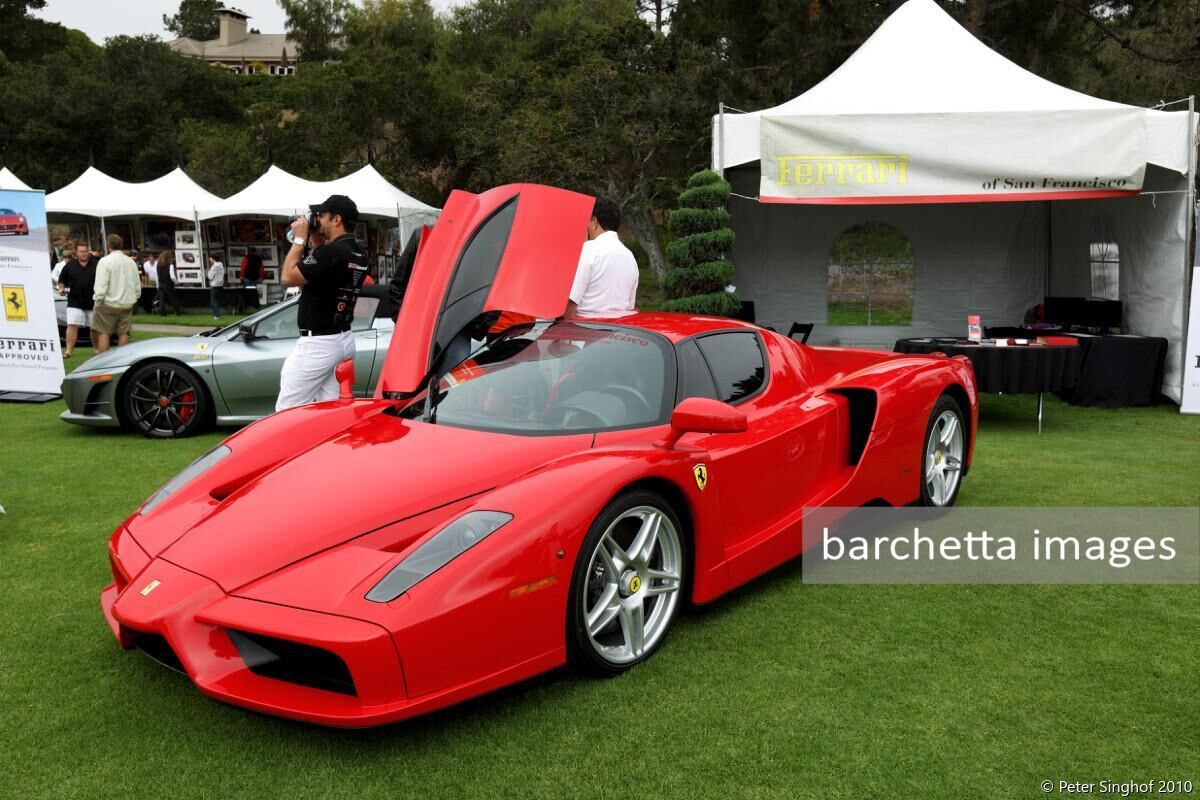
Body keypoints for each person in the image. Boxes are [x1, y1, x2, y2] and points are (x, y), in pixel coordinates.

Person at [276, 194, 370, 411]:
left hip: (319, 344)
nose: (317, 219)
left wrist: (299, 240)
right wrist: (317, 246)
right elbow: (320, 280)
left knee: (287, 412)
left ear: (336, 219)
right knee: (331, 409)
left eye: (322, 215)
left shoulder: (332, 252)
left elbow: (288, 278)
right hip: (343, 338)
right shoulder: (358, 252)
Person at [565, 198, 638, 318]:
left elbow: (571, 302)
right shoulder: (630, 257)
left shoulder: (589, 250)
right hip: (619, 331)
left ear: (594, 221)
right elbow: (630, 307)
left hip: (584, 329)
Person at [91, 233, 142, 353]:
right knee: (123, 333)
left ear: (108, 245)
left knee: (104, 333)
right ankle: (122, 360)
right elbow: (137, 284)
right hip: (126, 304)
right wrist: (135, 297)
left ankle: (103, 361)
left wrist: (98, 300)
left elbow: (101, 285)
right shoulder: (131, 262)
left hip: (108, 303)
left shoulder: (105, 261)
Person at [56, 242, 97, 358]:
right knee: (72, 325)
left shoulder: (97, 264)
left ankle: (97, 350)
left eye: (85, 251)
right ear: (76, 253)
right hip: (74, 301)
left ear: (88, 251)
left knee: (95, 328)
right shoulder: (70, 265)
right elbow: (61, 280)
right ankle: (68, 351)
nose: (84, 254)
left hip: (93, 301)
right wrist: (61, 288)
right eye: (81, 251)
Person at [155, 250, 184, 315]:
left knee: (162, 299)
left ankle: (162, 312)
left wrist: (157, 285)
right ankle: (178, 311)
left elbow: (156, 276)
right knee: (173, 299)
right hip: (168, 284)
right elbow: (172, 277)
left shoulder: (158, 265)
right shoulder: (170, 265)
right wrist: (177, 283)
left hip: (160, 284)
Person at [206, 253, 225, 319]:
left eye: (210, 258)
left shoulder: (214, 267)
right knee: (216, 301)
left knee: (213, 301)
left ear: (212, 258)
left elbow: (210, 276)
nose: (209, 260)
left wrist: (208, 273)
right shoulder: (221, 265)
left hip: (214, 285)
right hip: (220, 285)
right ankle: (215, 315)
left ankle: (217, 315)